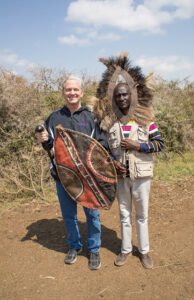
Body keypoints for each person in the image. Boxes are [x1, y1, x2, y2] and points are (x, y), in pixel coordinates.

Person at [95, 54, 164, 269]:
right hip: (121, 178)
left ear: (131, 95)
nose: (122, 98)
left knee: (141, 215)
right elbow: (103, 149)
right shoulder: (110, 123)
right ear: (114, 98)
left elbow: (159, 144)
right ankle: (125, 250)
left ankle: (144, 251)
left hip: (142, 176)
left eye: (125, 94)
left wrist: (139, 146)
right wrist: (111, 163)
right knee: (124, 215)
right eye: (118, 96)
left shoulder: (146, 121)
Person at [36, 75, 108, 271]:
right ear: (63, 93)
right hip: (63, 177)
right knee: (69, 215)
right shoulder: (54, 118)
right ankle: (74, 246)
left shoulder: (92, 117)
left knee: (92, 215)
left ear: (82, 92)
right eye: (68, 90)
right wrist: (44, 141)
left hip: (88, 179)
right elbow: (50, 148)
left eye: (75, 89)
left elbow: (102, 145)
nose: (72, 93)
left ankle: (94, 249)